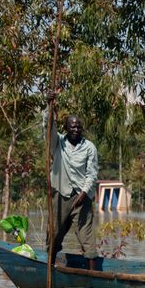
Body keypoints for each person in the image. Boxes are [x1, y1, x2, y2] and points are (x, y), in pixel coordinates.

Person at [47, 108, 99, 270]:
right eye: (72, 126)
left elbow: (92, 173)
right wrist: (50, 109)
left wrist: (84, 193)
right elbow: (49, 129)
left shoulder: (89, 147)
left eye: (78, 127)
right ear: (66, 128)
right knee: (54, 234)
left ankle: (93, 276)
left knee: (87, 238)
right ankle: (49, 267)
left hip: (81, 197)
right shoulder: (58, 143)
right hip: (61, 195)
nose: (75, 129)